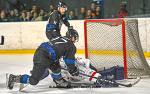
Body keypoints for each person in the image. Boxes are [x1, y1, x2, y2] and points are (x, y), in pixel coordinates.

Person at [6, 28, 79, 89]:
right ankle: (14, 78)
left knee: (56, 68)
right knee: (33, 81)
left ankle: (58, 81)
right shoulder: (71, 46)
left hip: (44, 53)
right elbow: (69, 61)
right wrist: (73, 70)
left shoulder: (60, 37)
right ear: (71, 37)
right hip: (43, 57)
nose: (75, 39)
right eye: (75, 37)